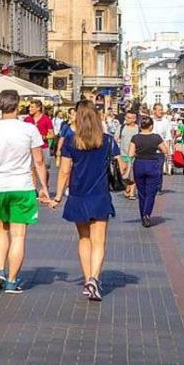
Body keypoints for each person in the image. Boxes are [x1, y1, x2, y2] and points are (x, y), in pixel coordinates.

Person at [0, 89, 50, 293]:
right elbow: (39, 161)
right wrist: (44, 189)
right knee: (18, 235)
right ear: (18, 106)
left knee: (1, 229)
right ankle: (11, 280)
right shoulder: (29, 130)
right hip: (23, 186)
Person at [50, 101, 117, 302]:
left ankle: (88, 278)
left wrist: (58, 196)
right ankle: (94, 279)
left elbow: (64, 171)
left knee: (84, 239)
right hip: (100, 194)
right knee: (99, 241)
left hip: (78, 195)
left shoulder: (71, 142)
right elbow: (121, 168)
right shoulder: (108, 141)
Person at [128, 115, 165, 227]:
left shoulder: (135, 137)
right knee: (151, 193)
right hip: (152, 164)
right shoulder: (156, 137)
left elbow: (130, 154)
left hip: (139, 164)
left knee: (141, 192)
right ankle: (147, 214)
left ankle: (143, 215)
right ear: (151, 126)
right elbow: (165, 150)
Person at [151, 104, 176, 184]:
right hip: (150, 149)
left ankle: (158, 186)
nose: (161, 111)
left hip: (161, 150)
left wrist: (168, 151)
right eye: (159, 110)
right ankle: (152, 185)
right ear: (154, 111)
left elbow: (168, 137)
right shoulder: (150, 120)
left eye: (161, 109)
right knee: (151, 169)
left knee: (159, 170)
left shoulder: (165, 121)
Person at [117, 110, 138, 200]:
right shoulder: (121, 127)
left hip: (135, 155)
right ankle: (128, 187)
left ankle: (132, 193)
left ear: (134, 119)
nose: (127, 119)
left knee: (133, 174)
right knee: (124, 174)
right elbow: (115, 139)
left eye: (130, 118)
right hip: (123, 154)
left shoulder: (138, 129)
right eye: (126, 117)